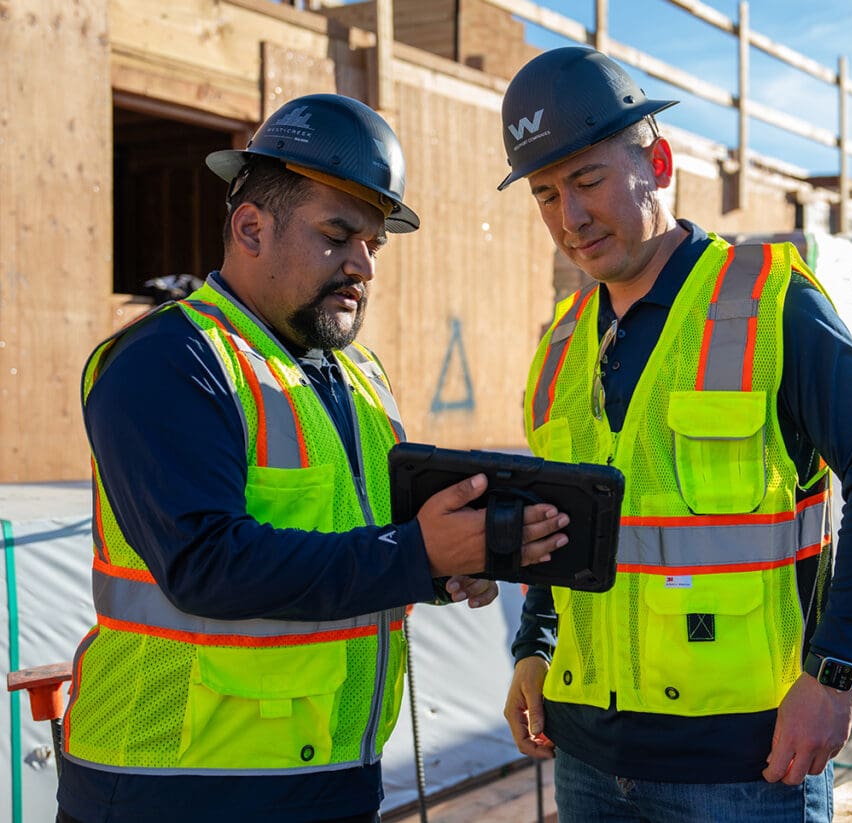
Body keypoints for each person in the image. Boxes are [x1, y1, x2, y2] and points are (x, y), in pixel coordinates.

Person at [58, 93, 569, 823]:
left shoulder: (360, 379)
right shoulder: (170, 359)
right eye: (337, 235)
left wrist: (446, 564)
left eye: (372, 244)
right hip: (173, 786)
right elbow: (204, 563)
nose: (361, 263)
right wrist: (418, 552)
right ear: (251, 227)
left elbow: (359, 546)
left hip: (333, 774)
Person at [498, 47, 852, 822]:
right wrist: (536, 641)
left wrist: (834, 673)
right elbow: (561, 522)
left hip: (746, 765)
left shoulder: (769, 304)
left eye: (589, 180)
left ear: (656, 161)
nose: (571, 218)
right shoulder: (562, 341)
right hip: (587, 756)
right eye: (546, 194)